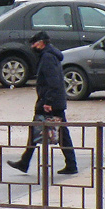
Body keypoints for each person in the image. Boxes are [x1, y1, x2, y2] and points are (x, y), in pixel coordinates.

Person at [8, 31, 79, 175]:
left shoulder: (47, 57)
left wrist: (48, 102)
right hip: (54, 101)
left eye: (34, 43)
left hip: (49, 103)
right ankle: (70, 164)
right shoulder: (50, 55)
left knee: (40, 129)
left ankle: (25, 162)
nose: (32, 46)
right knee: (61, 132)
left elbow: (52, 82)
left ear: (41, 43)